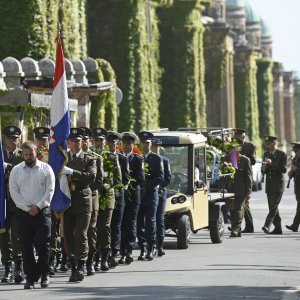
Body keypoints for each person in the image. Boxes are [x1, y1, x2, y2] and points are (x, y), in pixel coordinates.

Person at [9, 141, 55, 289]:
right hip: (24, 213)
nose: (28, 157)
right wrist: (26, 207)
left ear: (37, 153)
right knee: (26, 246)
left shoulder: (46, 168)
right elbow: (14, 192)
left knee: (43, 244)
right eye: (26, 154)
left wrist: (38, 206)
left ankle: (44, 274)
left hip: (42, 212)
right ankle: (30, 278)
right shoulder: (16, 170)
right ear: (22, 154)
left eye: (31, 154)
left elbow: (50, 190)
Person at [62, 128, 97, 282]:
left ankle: (81, 265)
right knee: (68, 235)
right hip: (66, 201)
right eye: (72, 141)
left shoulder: (89, 158)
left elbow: (91, 177)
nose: (75, 144)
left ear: (83, 142)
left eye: (78, 141)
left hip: (83, 201)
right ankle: (73, 265)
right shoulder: (62, 158)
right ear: (68, 142)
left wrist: (71, 172)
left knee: (81, 234)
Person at [91, 128, 122, 272]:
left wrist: (107, 184)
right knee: (93, 228)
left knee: (104, 227)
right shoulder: (90, 156)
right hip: (94, 196)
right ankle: (94, 258)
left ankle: (105, 258)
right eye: (96, 140)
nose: (99, 143)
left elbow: (118, 179)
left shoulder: (112, 156)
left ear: (105, 142)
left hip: (107, 196)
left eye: (101, 140)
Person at [0, 125, 24, 284]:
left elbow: (27, 171)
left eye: (15, 138)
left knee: (17, 236)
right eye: (9, 138)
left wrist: (9, 167)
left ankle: (18, 267)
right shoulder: (0, 155)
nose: (12, 141)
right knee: (4, 237)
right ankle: (7, 267)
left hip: (18, 203)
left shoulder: (22, 156)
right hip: (2, 203)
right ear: (4, 139)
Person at [80, 127, 104, 275]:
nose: (83, 142)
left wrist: (84, 187)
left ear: (89, 141)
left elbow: (99, 180)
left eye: (86, 139)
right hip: (75, 198)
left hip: (91, 197)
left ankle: (90, 261)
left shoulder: (95, 157)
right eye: (81, 140)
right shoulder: (72, 156)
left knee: (90, 231)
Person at [137, 131, 164, 261]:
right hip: (138, 195)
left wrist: (146, 186)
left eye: (148, 143)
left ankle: (151, 247)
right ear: (140, 143)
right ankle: (142, 247)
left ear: (151, 144)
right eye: (143, 143)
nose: (145, 145)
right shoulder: (137, 157)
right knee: (139, 222)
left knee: (150, 221)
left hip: (151, 194)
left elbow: (160, 177)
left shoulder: (157, 158)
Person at [119, 132, 144, 264]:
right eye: (125, 143)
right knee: (121, 224)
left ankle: (129, 250)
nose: (127, 146)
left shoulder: (138, 158)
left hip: (133, 195)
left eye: (129, 144)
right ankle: (122, 251)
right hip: (121, 195)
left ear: (133, 145)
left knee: (131, 223)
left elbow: (141, 178)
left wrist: (129, 183)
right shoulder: (118, 157)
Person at [106, 131, 129, 268]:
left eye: (114, 142)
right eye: (110, 142)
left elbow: (125, 179)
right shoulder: (102, 157)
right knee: (105, 226)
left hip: (118, 196)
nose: (112, 144)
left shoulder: (122, 158)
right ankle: (105, 251)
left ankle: (115, 252)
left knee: (116, 226)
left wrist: (115, 186)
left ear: (117, 144)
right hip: (106, 196)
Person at [261, 135, 287, 234]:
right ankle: (278, 228)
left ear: (274, 143)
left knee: (273, 206)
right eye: (266, 144)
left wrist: (272, 163)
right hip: (269, 184)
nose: (267, 145)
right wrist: (264, 168)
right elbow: (264, 171)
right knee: (272, 206)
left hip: (278, 184)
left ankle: (267, 225)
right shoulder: (266, 154)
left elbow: (283, 169)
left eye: (269, 143)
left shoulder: (281, 154)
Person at [151, 138, 172, 256]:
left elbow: (168, 178)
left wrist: (159, 186)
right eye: (154, 146)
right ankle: (152, 244)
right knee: (150, 218)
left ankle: (160, 245)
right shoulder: (147, 159)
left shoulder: (164, 160)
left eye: (157, 146)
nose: (156, 148)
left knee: (159, 218)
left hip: (160, 191)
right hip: (150, 192)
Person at [234, 128, 256, 233]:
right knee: (244, 204)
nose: (240, 139)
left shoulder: (250, 146)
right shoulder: (233, 144)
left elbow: (253, 161)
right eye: (237, 137)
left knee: (243, 203)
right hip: (237, 175)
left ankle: (240, 226)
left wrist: (244, 158)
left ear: (245, 136)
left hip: (245, 173)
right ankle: (246, 226)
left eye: (242, 137)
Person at [229, 140, 253, 238]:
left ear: (240, 148)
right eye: (232, 147)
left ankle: (234, 230)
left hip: (241, 190)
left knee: (239, 209)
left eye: (235, 147)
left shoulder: (245, 160)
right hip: (230, 190)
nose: (233, 149)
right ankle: (237, 230)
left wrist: (249, 191)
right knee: (232, 211)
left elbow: (249, 177)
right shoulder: (227, 158)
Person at [286, 142, 300, 232]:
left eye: (296, 150)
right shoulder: (295, 159)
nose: (295, 152)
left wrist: (296, 169)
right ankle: (295, 225)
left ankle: (295, 225)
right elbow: (292, 172)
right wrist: (291, 173)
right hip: (297, 185)